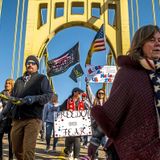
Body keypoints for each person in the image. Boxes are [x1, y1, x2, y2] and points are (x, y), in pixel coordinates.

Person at [91, 25, 160, 160]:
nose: (158, 43)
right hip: (133, 150)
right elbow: (112, 113)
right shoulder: (127, 73)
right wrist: (95, 139)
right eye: (152, 40)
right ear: (140, 44)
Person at [1, 55, 53, 160]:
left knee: (28, 150)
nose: (30, 64)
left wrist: (33, 98)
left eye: (33, 63)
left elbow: (48, 95)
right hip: (17, 119)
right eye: (28, 63)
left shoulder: (42, 78)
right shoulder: (19, 80)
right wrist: (2, 114)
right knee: (16, 150)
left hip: (33, 119)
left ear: (37, 66)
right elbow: (12, 100)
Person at [60, 87, 84, 160]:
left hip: (78, 123)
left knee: (77, 139)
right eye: (79, 92)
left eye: (81, 93)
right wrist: (67, 111)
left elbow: (85, 112)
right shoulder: (67, 101)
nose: (80, 94)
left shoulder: (82, 102)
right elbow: (61, 109)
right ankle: (68, 150)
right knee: (69, 140)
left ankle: (76, 157)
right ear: (74, 92)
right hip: (68, 123)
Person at [86, 83, 107, 160]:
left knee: (106, 141)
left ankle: (107, 155)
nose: (101, 94)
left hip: (105, 124)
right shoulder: (94, 101)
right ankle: (95, 156)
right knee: (95, 141)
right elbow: (89, 94)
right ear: (97, 94)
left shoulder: (107, 102)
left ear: (104, 94)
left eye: (102, 93)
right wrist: (87, 85)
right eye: (99, 93)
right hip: (96, 124)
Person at [0, 78, 14, 160]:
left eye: (9, 83)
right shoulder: (1, 94)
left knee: (11, 141)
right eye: (6, 83)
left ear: (12, 85)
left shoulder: (15, 94)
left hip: (12, 120)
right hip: (2, 120)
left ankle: (11, 158)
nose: (6, 84)